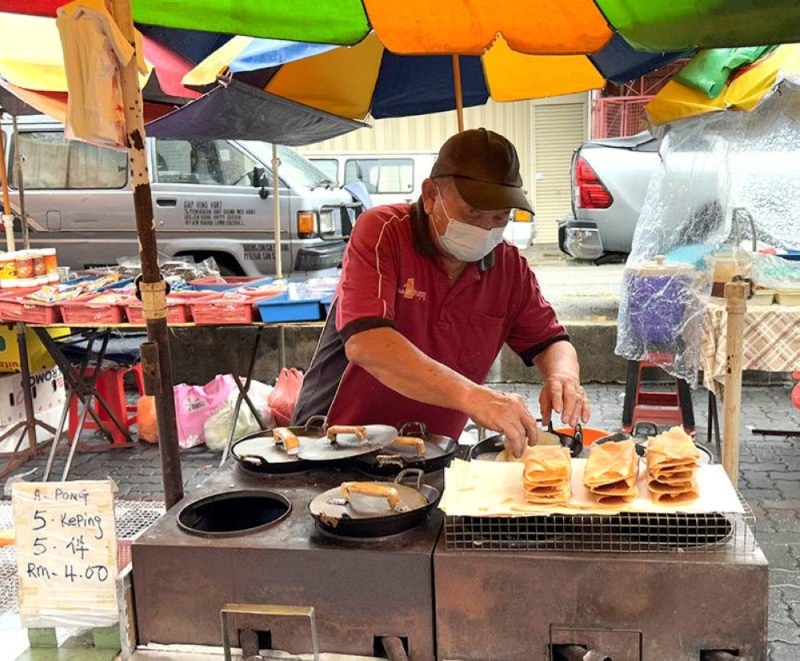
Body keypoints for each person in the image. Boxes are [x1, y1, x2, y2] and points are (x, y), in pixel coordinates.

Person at [291, 128, 589, 457]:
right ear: (431, 196)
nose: (485, 228)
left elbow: (550, 341)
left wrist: (563, 375)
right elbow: (367, 344)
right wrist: (476, 397)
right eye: (472, 214)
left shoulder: (508, 267)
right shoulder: (382, 231)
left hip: (429, 450)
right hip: (334, 441)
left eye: (499, 217)